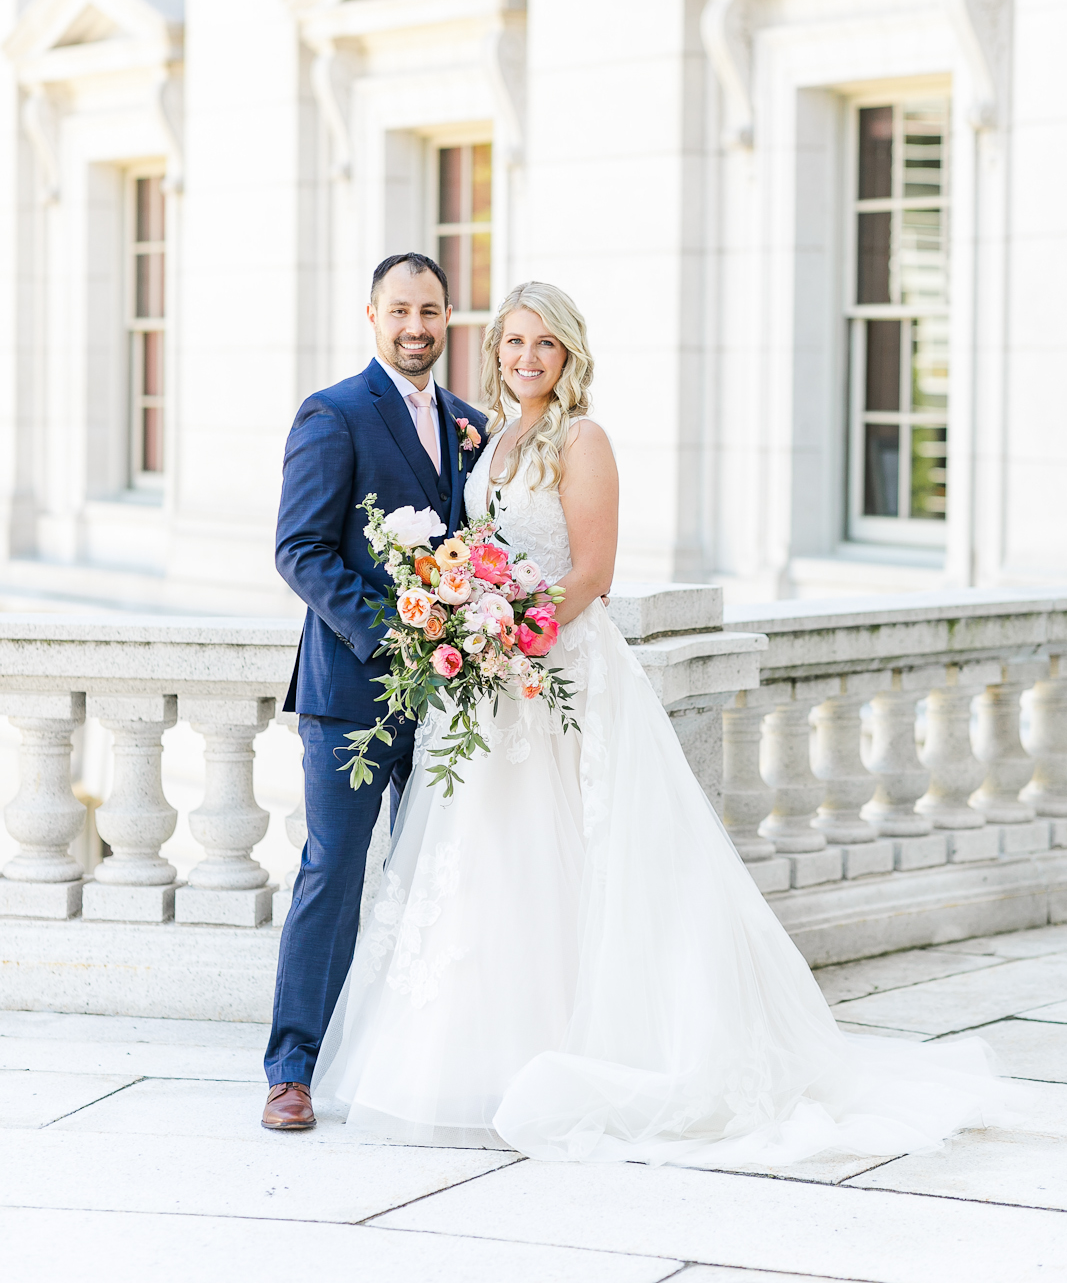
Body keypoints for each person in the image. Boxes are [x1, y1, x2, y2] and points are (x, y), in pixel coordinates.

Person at [310, 280, 1018, 1166]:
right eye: (513, 343)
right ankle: (489, 1062)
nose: (526, 358)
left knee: (576, 856)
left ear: (569, 354)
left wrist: (508, 635)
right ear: (494, 352)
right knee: (494, 861)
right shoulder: (488, 440)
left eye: (544, 345)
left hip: (555, 670)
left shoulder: (583, 440)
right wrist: (474, 626)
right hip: (490, 684)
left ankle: (590, 1052)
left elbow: (594, 573)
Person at [261, 253, 487, 1130]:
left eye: (430, 311)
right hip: (353, 694)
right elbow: (300, 550)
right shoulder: (334, 412)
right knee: (333, 871)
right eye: (399, 311)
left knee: (437, 872)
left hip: (452, 700)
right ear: (371, 315)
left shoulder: (472, 424)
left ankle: (406, 1058)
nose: (415, 327)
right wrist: (393, 635)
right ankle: (292, 1069)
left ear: (447, 316)